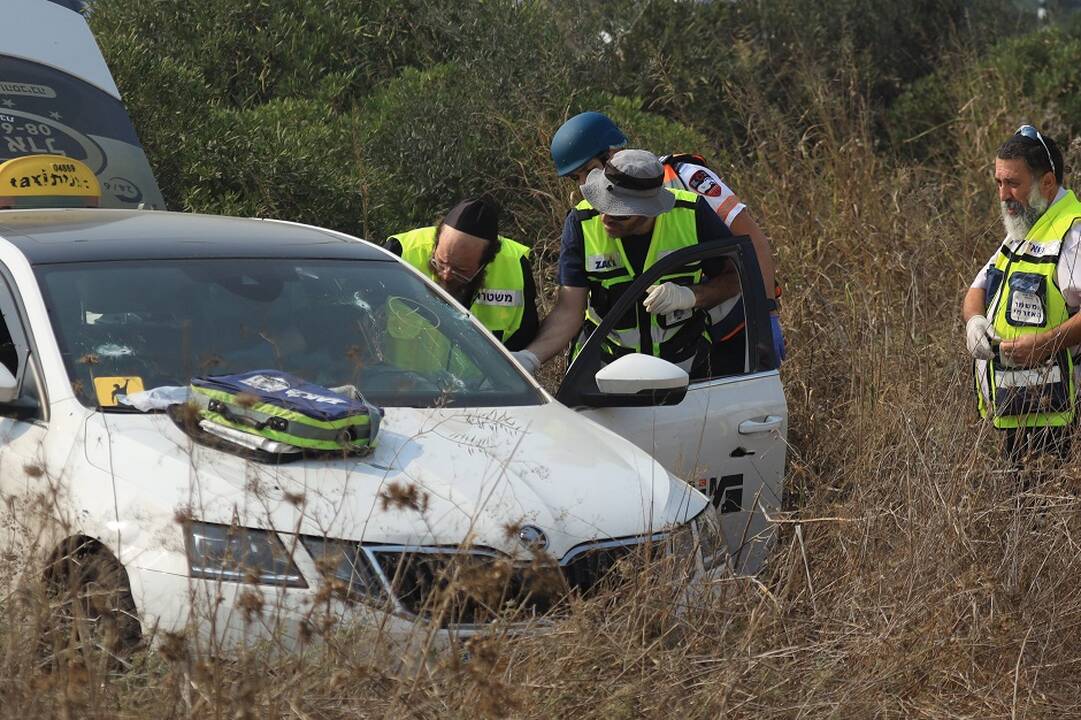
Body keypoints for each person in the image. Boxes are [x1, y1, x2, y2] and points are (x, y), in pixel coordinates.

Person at [548, 111, 784, 364]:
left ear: (612, 154)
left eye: (589, 171)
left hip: (724, 324)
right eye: (577, 179)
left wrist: (766, 313)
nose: (585, 185)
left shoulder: (687, 179)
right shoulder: (589, 212)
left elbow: (752, 241)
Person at [515, 149, 739, 377]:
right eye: (602, 204)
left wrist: (691, 296)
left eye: (619, 212)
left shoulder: (692, 214)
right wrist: (530, 357)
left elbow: (737, 278)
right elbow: (569, 310)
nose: (604, 218)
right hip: (604, 372)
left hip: (686, 367)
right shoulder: (581, 223)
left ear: (649, 210)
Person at [963, 125, 1081, 461]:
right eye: (999, 183)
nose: (1003, 195)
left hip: (1064, 422)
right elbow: (978, 287)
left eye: (1013, 183)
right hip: (1021, 413)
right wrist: (974, 321)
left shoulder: (1073, 233)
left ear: (1047, 182)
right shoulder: (1024, 226)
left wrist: (1047, 344)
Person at [385, 198, 539, 351]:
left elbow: (523, 340)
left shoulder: (515, 268)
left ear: (485, 264)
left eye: (461, 270)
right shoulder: (401, 253)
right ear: (436, 242)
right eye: (440, 262)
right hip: (396, 374)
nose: (446, 275)